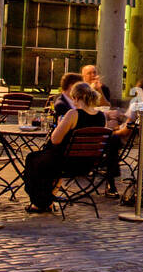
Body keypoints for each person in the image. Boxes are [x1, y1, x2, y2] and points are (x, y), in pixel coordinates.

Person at [22, 82, 106, 213]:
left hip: (66, 162)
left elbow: (55, 139)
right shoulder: (101, 116)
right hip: (88, 163)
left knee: (33, 158)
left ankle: (40, 202)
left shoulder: (73, 114)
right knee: (45, 160)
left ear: (77, 98)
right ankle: (46, 200)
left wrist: (61, 123)